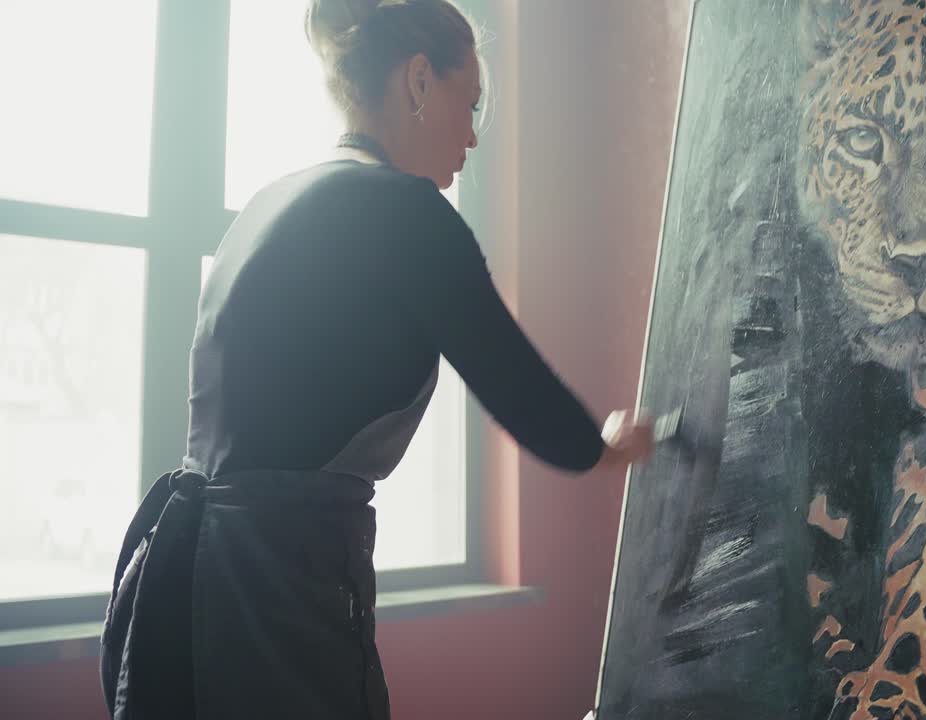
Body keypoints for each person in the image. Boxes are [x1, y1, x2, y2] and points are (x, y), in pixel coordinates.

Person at [98, 1, 654, 718]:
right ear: (419, 81)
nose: (475, 136)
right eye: (470, 102)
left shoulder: (270, 201)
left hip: (176, 585)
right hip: (274, 592)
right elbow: (516, 385)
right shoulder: (409, 213)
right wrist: (599, 448)